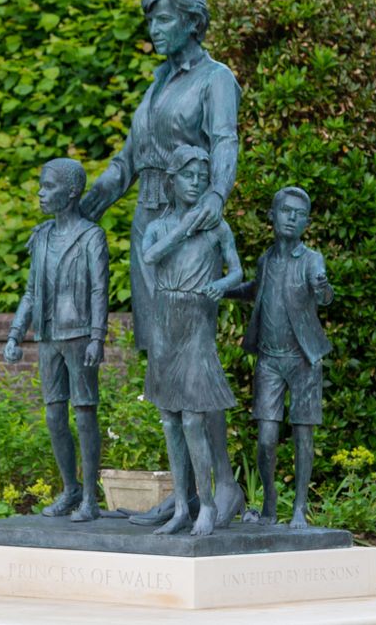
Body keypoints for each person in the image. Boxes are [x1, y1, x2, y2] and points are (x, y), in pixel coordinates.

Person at [78, 0, 245, 529]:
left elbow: (225, 142)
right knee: (163, 362)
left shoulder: (216, 79)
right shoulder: (155, 85)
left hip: (190, 228)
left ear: (193, 21)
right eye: (150, 18)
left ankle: (225, 489)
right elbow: (128, 159)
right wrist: (95, 198)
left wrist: (217, 196)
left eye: (164, 17)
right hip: (148, 226)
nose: (154, 28)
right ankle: (188, 492)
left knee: (195, 362)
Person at [142, 145, 243, 536]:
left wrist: (220, 283)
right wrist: (185, 227)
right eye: (189, 176)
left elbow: (236, 270)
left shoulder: (217, 227)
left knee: (194, 418)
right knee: (169, 419)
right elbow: (150, 257)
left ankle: (208, 502)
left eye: (203, 178)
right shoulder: (159, 226)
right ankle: (182, 506)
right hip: (165, 320)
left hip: (197, 320)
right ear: (172, 180)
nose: (196, 182)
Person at [4, 158, 109, 522]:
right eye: (41, 186)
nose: (40, 193)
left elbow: (100, 290)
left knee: (84, 414)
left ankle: (91, 498)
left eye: (48, 187)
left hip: (79, 335)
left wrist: (98, 336)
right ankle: (70, 489)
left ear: (72, 191)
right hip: (48, 335)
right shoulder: (43, 237)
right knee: (53, 416)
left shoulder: (91, 236)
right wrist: (17, 333)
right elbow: (31, 293)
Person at [230, 187, 334, 529]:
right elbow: (254, 291)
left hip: (304, 360)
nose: (292, 218)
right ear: (272, 216)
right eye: (286, 211)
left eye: (299, 214)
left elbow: (323, 290)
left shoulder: (311, 259)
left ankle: (300, 508)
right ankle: (271, 501)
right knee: (266, 437)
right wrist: (220, 289)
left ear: (306, 222)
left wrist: (322, 287)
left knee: (304, 435)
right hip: (269, 361)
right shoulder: (265, 260)